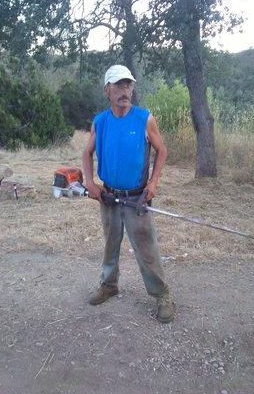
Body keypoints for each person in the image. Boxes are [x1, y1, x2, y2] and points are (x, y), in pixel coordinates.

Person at [82, 65, 175, 323]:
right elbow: (86, 153)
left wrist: (153, 183)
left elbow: (162, 151)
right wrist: (90, 182)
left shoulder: (144, 119)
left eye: (128, 85)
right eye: (118, 85)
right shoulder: (100, 122)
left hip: (137, 198)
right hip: (109, 197)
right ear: (107, 90)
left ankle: (162, 295)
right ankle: (109, 285)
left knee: (146, 249)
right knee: (111, 244)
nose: (125, 91)